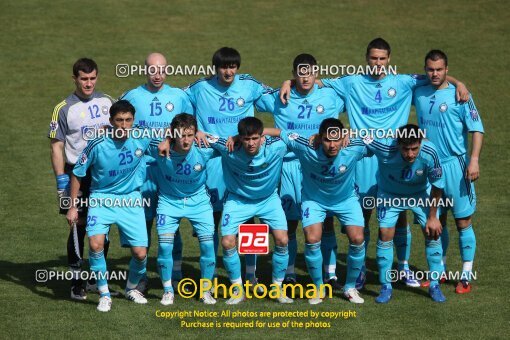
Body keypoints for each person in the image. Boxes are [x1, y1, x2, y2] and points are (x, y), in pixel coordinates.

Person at [279, 38, 469, 289]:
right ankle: (356, 273)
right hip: (365, 159)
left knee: (400, 214)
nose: (377, 63)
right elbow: (313, 81)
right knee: (364, 215)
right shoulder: (351, 81)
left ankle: (401, 268)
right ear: (366, 59)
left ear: (389, 60)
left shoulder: (403, 81)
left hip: (395, 157)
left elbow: (436, 77)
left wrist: (459, 82)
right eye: (373, 58)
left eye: (382, 59)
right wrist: (288, 81)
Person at [256, 53, 345, 287]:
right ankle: (290, 271)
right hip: (288, 167)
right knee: (290, 223)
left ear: (316, 73)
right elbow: (248, 96)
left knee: (326, 221)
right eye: (300, 74)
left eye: (310, 73)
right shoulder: (280, 97)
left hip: (319, 166)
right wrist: (285, 84)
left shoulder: (331, 95)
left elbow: (360, 96)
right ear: (294, 74)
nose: (305, 78)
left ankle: (331, 273)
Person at [184, 47, 271, 286]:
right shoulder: (199, 87)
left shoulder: (249, 85)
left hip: (241, 161)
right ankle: (210, 273)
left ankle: (252, 274)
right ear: (216, 68)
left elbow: (276, 99)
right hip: (212, 162)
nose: (228, 71)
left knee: (248, 216)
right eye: (224, 67)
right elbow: (176, 102)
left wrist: (288, 82)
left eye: (232, 66)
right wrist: (194, 128)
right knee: (212, 218)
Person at [66, 100, 159, 312]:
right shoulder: (97, 143)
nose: (124, 125)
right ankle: (104, 294)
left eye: (128, 120)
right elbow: (78, 173)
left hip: (131, 200)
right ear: (111, 121)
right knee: (96, 244)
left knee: (141, 254)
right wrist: (73, 206)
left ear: (133, 121)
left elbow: (169, 141)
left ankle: (131, 289)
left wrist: (169, 141)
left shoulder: (143, 137)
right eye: (119, 120)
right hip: (101, 198)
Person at [263, 118, 367, 304]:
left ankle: (350, 287)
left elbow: (385, 143)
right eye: (327, 140)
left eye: (336, 139)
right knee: (312, 239)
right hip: (314, 200)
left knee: (358, 239)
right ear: (320, 138)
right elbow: (279, 133)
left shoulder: (354, 147)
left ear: (343, 137)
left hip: (346, 200)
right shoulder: (306, 146)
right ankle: (318, 287)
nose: (332, 145)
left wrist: (353, 133)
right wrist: (244, 136)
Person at [120, 52, 194, 293]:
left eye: (161, 69)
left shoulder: (179, 96)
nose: (157, 74)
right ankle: (140, 277)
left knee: (170, 223)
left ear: (168, 70)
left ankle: (175, 273)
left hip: (172, 169)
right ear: (145, 70)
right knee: (144, 224)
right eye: (152, 69)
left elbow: (193, 127)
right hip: (143, 171)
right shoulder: (132, 96)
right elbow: (118, 126)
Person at [414, 50, 484, 293]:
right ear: (425, 69)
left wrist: (473, 160)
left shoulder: (461, 96)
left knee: (462, 220)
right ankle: (438, 272)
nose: (435, 74)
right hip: (428, 166)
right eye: (430, 69)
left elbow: (477, 129)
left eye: (439, 70)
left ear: (446, 69)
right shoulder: (419, 90)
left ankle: (465, 275)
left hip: (456, 165)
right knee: (434, 221)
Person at [48, 58, 114, 300]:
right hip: (78, 175)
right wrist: (61, 183)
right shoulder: (63, 108)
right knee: (78, 223)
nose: (88, 83)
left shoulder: (108, 102)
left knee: (103, 225)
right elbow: (57, 147)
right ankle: (76, 280)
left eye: (92, 78)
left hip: (104, 175)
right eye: (83, 79)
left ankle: (98, 278)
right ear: (74, 78)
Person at [207, 117, 291, 304]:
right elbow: (202, 137)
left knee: (282, 239)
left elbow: (298, 138)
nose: (251, 143)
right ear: (240, 138)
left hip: (268, 200)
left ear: (262, 138)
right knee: (228, 242)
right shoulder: (228, 147)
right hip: (238, 201)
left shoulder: (276, 147)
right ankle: (238, 290)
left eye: (255, 138)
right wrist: (197, 133)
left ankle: (277, 288)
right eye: (246, 139)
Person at [366, 124, 446, 303]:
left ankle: (434, 285)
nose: (410, 154)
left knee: (433, 234)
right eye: (405, 149)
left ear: (421, 142)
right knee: (385, 234)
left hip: (419, 194)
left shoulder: (430, 152)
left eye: (414, 149)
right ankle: (386, 286)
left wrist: (433, 217)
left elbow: (437, 185)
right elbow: (360, 142)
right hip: (389, 194)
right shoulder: (385, 147)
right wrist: (343, 137)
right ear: (398, 143)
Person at [151, 114, 217, 305]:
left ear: (195, 134)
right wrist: (165, 138)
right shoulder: (159, 147)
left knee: (207, 245)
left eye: (190, 135)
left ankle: (205, 290)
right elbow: (135, 135)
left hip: (199, 202)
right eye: (181, 135)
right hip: (169, 202)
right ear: (173, 134)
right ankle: (168, 290)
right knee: (164, 246)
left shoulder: (204, 147)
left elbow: (232, 140)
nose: (186, 140)